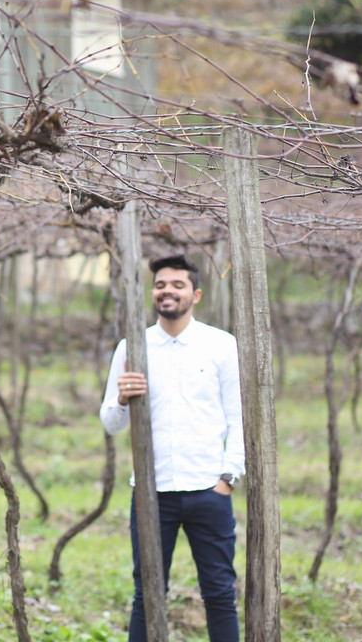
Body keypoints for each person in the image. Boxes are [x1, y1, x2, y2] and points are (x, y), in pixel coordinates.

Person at [100, 254, 244, 642]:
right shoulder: (133, 346)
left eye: (178, 285)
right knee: (146, 596)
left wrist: (228, 478)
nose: (168, 291)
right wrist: (122, 399)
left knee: (219, 594)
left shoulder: (221, 345)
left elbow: (239, 416)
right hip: (151, 494)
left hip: (208, 490)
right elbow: (111, 424)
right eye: (161, 284)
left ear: (195, 294)